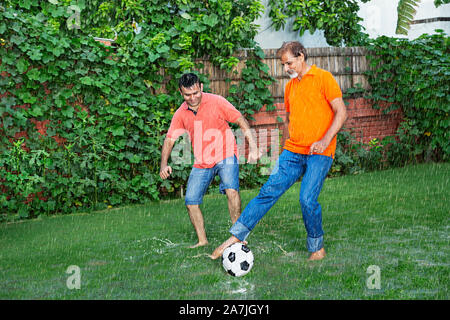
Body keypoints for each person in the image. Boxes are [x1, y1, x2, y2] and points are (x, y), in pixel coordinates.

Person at [211, 41, 347, 261]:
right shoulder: (291, 87)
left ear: (301, 56)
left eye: (289, 63)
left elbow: (341, 113)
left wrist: (324, 141)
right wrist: (285, 146)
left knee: (307, 199)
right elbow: (288, 119)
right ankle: (237, 236)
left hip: (320, 152)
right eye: (283, 65)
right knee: (268, 191)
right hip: (293, 151)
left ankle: (317, 247)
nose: (286, 69)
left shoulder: (324, 78)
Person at [160, 73, 260, 248]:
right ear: (181, 93)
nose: (192, 98)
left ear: (201, 88)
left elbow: (241, 121)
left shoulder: (217, 102)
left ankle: (239, 235)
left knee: (231, 190)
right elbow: (169, 140)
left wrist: (253, 147)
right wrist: (163, 164)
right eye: (187, 95)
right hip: (202, 160)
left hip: (225, 152)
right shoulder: (180, 113)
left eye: (195, 93)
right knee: (191, 201)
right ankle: (202, 240)